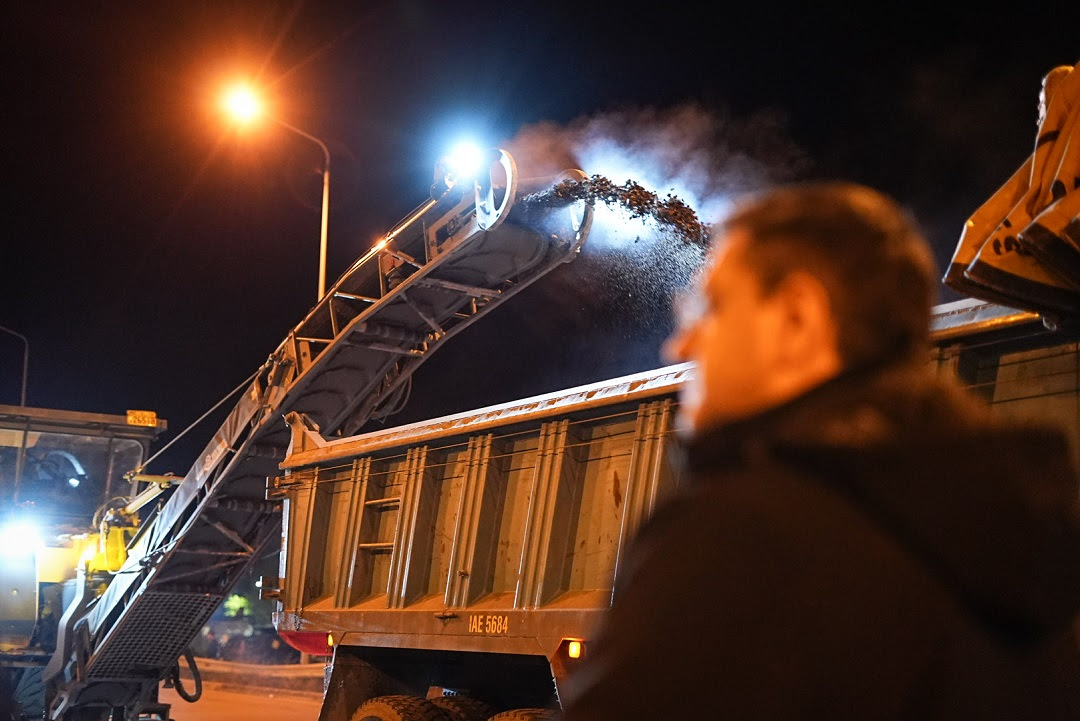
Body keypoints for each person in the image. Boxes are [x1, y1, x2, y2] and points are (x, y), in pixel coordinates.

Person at [559, 181, 1080, 720]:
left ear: (797, 318)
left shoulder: (741, 535)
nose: (681, 345)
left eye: (710, 307)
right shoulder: (1019, 558)